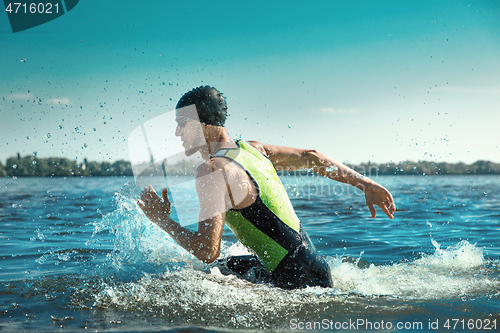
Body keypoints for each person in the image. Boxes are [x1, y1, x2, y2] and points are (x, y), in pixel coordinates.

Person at [137, 85, 396, 289]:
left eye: (182, 124)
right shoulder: (254, 149)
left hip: (293, 283)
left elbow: (207, 250)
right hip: (316, 268)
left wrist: (162, 220)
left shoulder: (213, 170)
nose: (177, 134)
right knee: (220, 269)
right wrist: (366, 184)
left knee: (204, 271)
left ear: (201, 122)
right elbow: (312, 157)